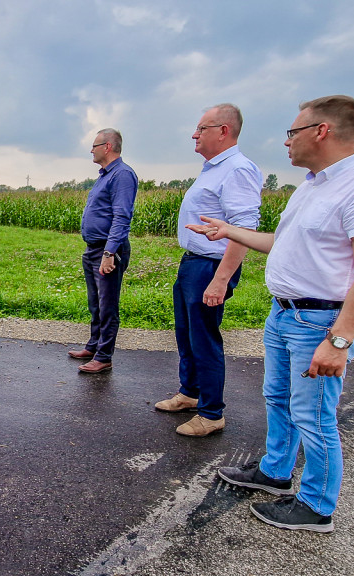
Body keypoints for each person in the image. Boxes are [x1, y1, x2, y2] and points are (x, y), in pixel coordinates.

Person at [189, 95, 354, 532]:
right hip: (285, 315)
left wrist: (340, 340)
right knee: (279, 400)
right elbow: (284, 243)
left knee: (314, 415)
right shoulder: (312, 185)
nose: (286, 142)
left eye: (293, 132)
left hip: (322, 321)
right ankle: (274, 473)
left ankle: (315, 506)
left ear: (321, 131)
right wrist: (228, 230)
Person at [153, 104, 262, 436]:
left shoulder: (238, 169)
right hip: (193, 262)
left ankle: (212, 413)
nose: (194, 134)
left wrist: (220, 279)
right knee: (186, 335)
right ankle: (189, 394)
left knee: (204, 339)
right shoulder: (213, 168)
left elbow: (244, 231)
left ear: (224, 130)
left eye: (202, 128)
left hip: (210, 266)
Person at [68, 129, 138, 373]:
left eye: (95, 145)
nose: (91, 150)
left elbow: (122, 216)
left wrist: (109, 253)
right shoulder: (105, 176)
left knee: (108, 305)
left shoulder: (122, 175)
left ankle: (104, 357)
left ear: (108, 147)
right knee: (95, 303)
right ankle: (94, 346)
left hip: (108, 251)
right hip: (93, 249)